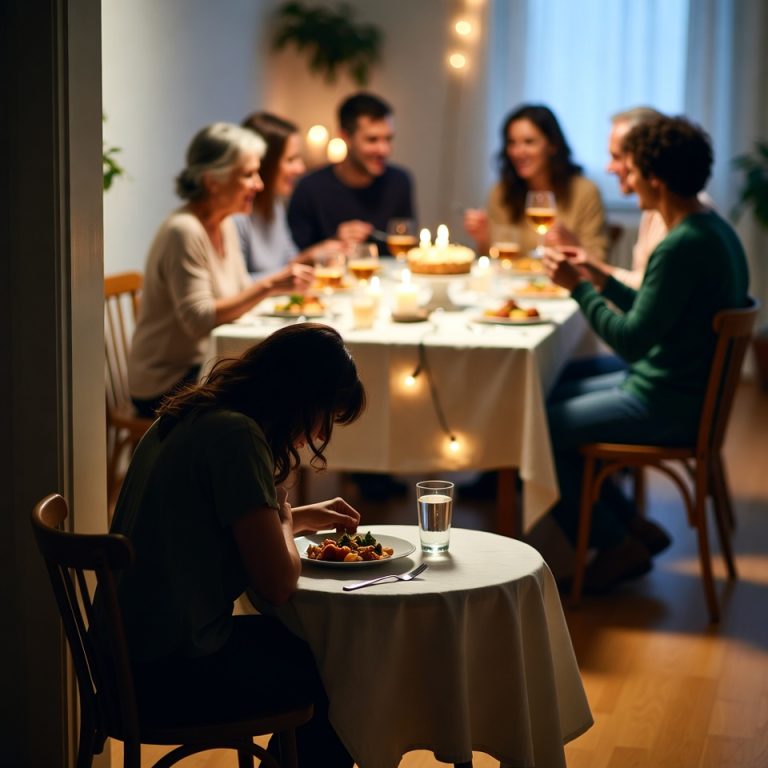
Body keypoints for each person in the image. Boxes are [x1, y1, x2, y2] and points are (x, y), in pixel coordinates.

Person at [110, 323, 365, 766]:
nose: (320, 434)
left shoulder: (192, 414)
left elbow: (214, 527)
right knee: (337, 671)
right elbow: (278, 583)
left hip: (123, 655)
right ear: (301, 398)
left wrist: (298, 518)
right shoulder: (237, 436)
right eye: (324, 415)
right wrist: (286, 520)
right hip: (169, 670)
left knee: (312, 655)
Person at [542, 116, 749, 593]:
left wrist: (578, 289)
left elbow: (633, 340)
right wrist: (600, 276)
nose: (624, 177)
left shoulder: (679, 246)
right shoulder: (711, 229)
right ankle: (628, 527)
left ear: (655, 178)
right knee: (553, 391)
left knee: (539, 425)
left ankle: (615, 543)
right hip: (684, 387)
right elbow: (660, 314)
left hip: (668, 400)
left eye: (630, 169)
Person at [128, 122, 315, 418]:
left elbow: (241, 292)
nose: (259, 184)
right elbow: (199, 320)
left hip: (204, 366)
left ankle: (281, 463)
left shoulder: (224, 223)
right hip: (164, 382)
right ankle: (270, 463)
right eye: (248, 174)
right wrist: (270, 286)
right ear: (212, 181)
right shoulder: (184, 231)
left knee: (290, 378)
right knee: (278, 394)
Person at [464, 103, 608, 260]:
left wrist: (573, 244)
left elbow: (599, 260)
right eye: (512, 143)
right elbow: (495, 261)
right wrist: (484, 239)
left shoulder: (585, 192)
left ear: (552, 145)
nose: (518, 152)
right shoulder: (501, 192)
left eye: (529, 142)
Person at [287, 91, 416, 253]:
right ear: (345, 137)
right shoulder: (309, 188)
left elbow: (406, 250)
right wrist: (336, 242)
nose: (384, 150)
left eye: (388, 139)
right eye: (372, 140)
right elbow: (294, 260)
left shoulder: (400, 182)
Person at [234, 111, 342, 278]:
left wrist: (315, 255)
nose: (301, 169)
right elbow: (236, 286)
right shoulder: (236, 215)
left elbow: (289, 261)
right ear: (264, 163)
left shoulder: (274, 203)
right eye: (291, 160)